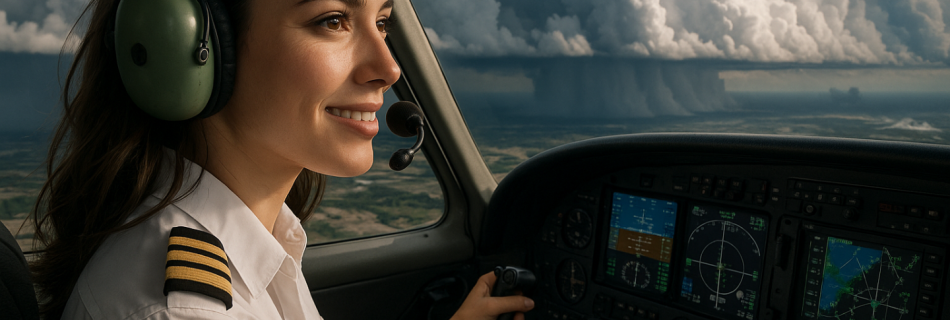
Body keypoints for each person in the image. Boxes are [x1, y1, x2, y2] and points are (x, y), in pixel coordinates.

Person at [28, 0, 535, 319]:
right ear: (189, 48)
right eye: (333, 20)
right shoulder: (183, 310)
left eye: (381, 22)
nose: (387, 67)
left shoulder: (246, 239)